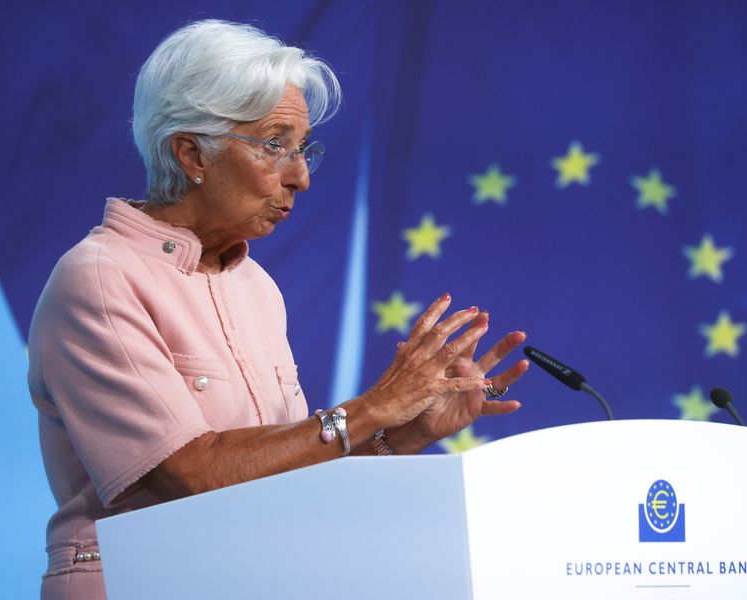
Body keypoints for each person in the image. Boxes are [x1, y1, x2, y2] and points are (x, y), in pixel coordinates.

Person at [28, 19, 530, 599]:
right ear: (192, 152)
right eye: (276, 145)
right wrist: (372, 407)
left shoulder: (257, 286)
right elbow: (192, 473)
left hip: (255, 576)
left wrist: (405, 431)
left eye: (303, 149)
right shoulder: (99, 278)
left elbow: (285, 479)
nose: (302, 177)